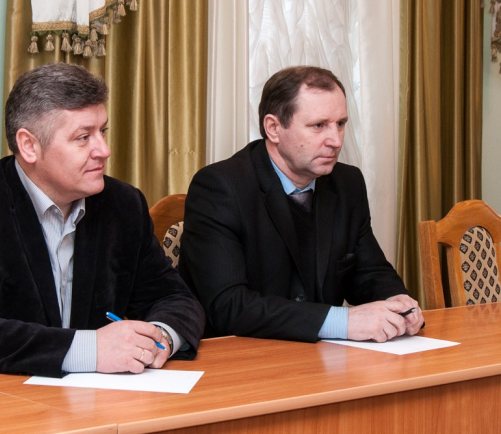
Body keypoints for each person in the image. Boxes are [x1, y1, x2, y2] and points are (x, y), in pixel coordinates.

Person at [0, 63, 205, 378]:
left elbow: (173, 297)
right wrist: (88, 350)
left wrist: (159, 337)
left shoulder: (123, 205)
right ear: (29, 146)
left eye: (102, 131)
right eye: (83, 137)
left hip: (93, 399)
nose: (104, 150)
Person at [179, 66, 424, 344]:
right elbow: (229, 305)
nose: (335, 140)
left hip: (321, 356)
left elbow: (369, 272)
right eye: (319, 125)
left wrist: (397, 303)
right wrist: (343, 321)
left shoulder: (347, 183)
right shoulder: (221, 187)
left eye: (340, 124)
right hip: (239, 354)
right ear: (273, 128)